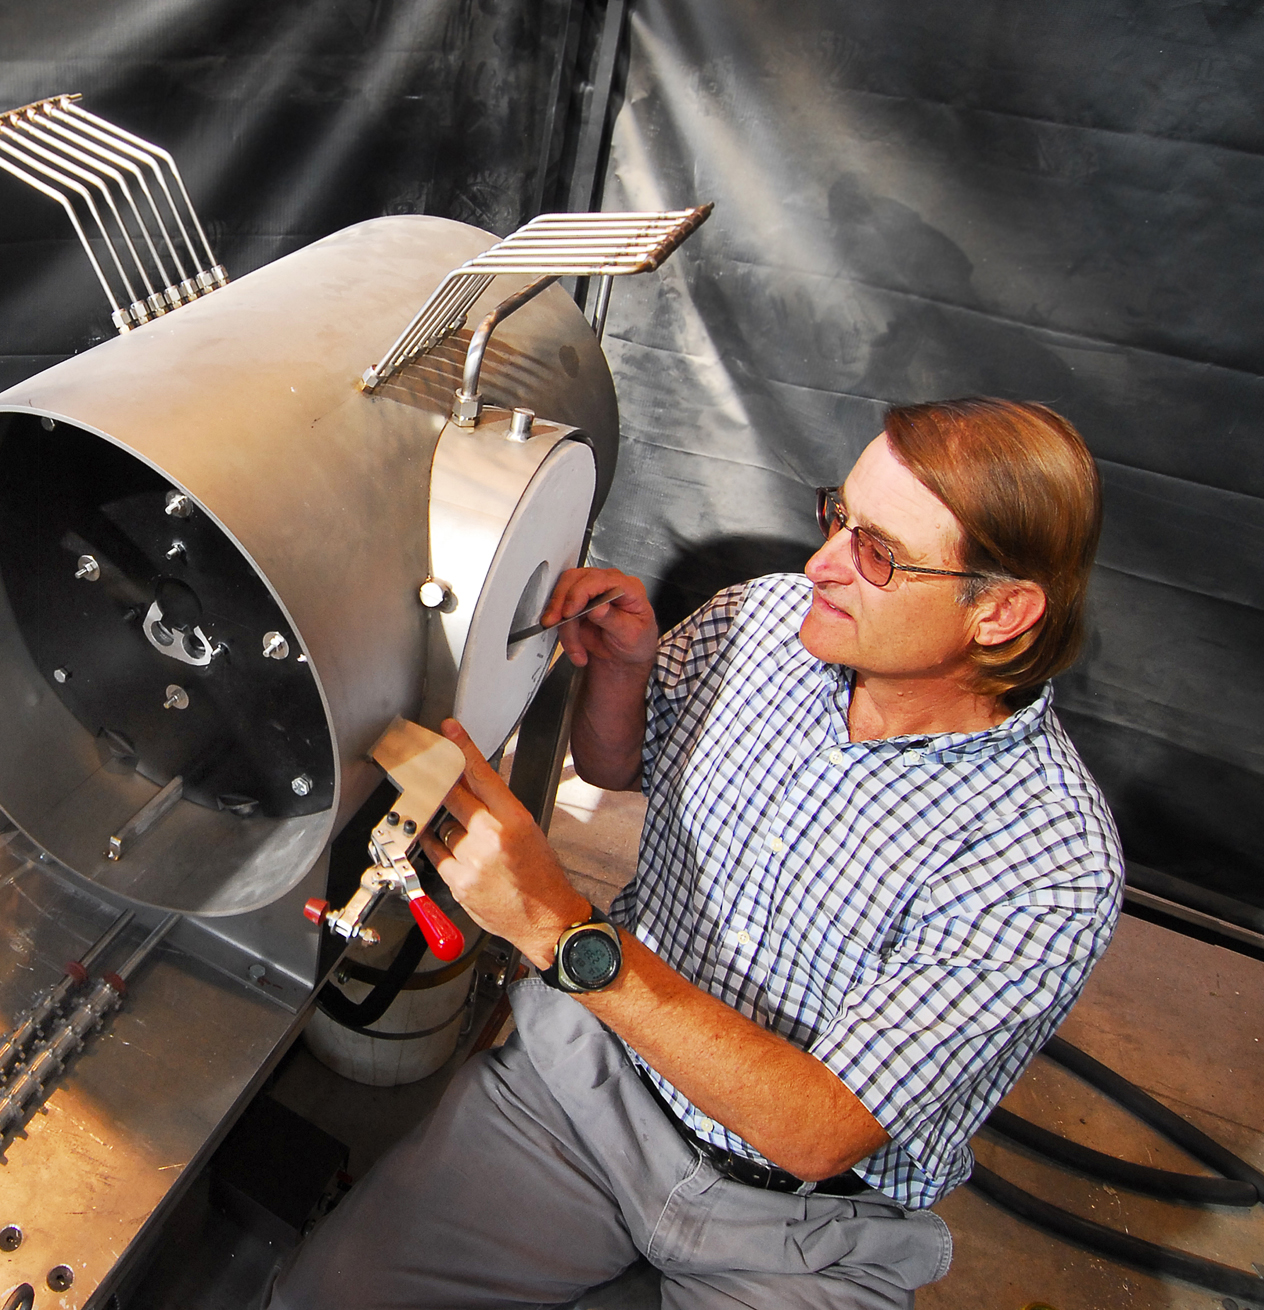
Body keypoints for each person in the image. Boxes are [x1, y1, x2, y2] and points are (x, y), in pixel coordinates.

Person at [270, 398, 1122, 1309]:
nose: (820, 565)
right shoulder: (763, 623)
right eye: (839, 516)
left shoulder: (1049, 863)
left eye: (879, 552)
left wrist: (560, 930)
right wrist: (624, 678)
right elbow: (615, 763)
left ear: (999, 611)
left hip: (800, 1227)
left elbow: (817, 1130)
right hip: (590, 1094)